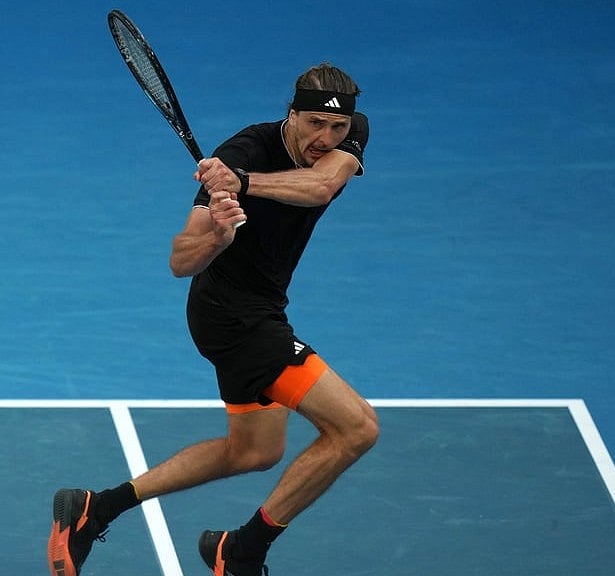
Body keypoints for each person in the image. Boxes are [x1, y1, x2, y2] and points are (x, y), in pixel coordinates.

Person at [48, 62, 378, 576]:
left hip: (265, 306)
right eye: (314, 123)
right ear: (290, 115)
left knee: (253, 452)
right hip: (230, 316)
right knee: (356, 429)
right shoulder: (241, 151)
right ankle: (243, 550)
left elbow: (320, 186)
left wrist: (244, 184)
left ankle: (96, 508)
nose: (326, 137)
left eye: (336, 128)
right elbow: (181, 261)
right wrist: (218, 236)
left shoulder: (327, 145)